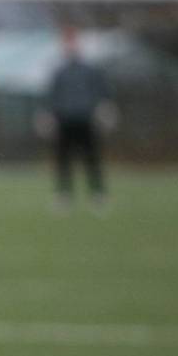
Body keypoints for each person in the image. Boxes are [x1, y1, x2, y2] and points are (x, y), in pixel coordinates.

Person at [45, 25, 113, 215]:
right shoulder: (59, 71)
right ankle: (64, 194)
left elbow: (102, 91)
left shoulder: (90, 70)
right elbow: (52, 96)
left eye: (73, 42)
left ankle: (97, 193)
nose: (70, 46)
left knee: (91, 158)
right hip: (65, 120)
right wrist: (49, 115)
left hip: (86, 119)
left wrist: (105, 109)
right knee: (63, 160)